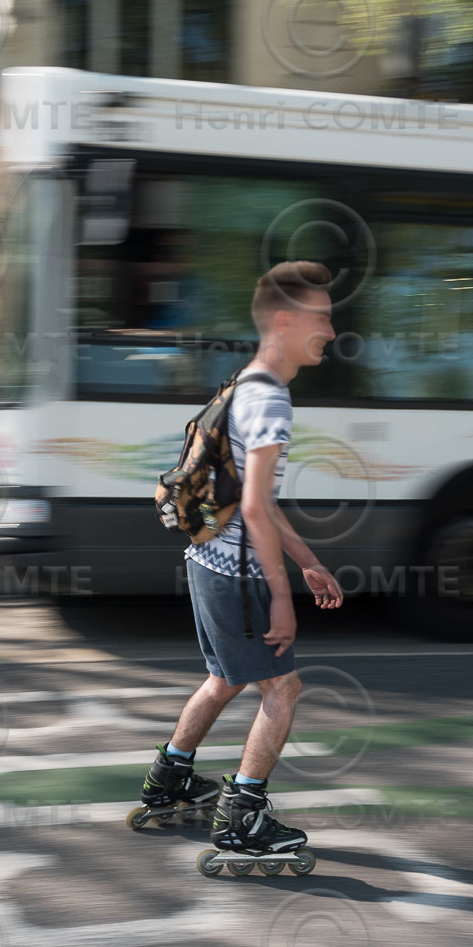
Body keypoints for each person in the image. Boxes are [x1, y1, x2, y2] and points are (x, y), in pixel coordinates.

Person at [137, 261, 346, 856]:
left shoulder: (244, 383)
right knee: (283, 689)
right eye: (322, 316)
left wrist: (308, 561)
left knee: (227, 678)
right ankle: (243, 816)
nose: (330, 331)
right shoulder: (271, 400)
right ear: (285, 320)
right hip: (239, 572)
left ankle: (170, 779)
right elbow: (254, 508)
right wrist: (282, 596)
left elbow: (254, 499)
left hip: (204, 557)